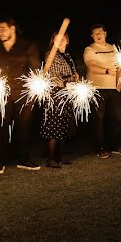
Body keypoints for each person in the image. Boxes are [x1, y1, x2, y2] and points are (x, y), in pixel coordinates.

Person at [0, 18, 42, 173]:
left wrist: (35, 86)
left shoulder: (27, 45)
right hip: (1, 93)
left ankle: (23, 159)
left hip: (23, 93)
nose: (0, 32)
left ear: (12, 29)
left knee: (23, 127)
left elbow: (35, 67)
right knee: (1, 126)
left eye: (3, 28)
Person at [84, 23, 121, 158]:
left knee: (116, 118)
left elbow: (120, 65)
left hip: (113, 89)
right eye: (95, 33)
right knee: (99, 119)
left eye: (100, 32)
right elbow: (91, 66)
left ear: (105, 33)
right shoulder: (89, 50)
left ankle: (115, 145)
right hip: (97, 89)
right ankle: (100, 147)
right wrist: (107, 71)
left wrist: (118, 85)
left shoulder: (113, 48)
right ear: (92, 36)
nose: (98, 35)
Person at [41, 32, 80, 168]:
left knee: (65, 125)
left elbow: (72, 73)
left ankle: (61, 156)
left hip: (67, 94)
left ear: (67, 40)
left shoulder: (67, 55)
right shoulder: (51, 54)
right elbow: (53, 76)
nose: (61, 40)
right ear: (53, 41)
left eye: (63, 38)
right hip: (55, 95)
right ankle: (51, 158)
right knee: (54, 126)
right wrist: (68, 81)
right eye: (57, 39)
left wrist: (75, 78)